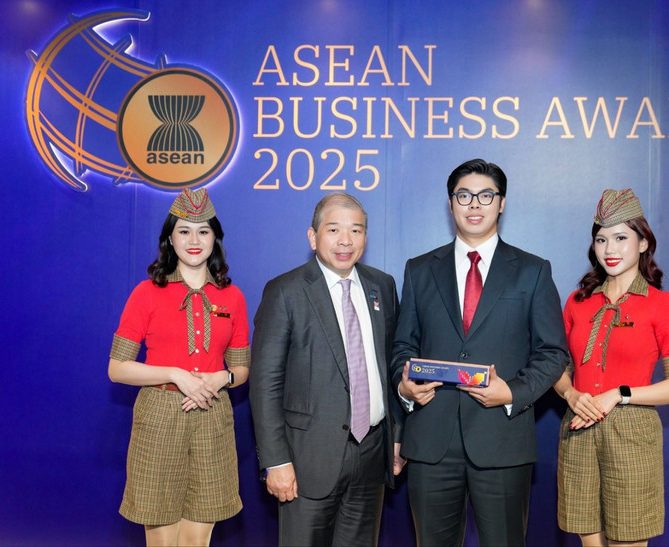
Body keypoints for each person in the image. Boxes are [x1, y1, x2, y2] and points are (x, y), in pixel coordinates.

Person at [391, 158, 569, 546]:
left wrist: (513, 393)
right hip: (431, 441)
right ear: (450, 203)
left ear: (501, 203)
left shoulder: (532, 270)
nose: (475, 205)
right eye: (464, 195)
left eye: (485, 195)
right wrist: (404, 387)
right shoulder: (420, 270)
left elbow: (553, 353)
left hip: (502, 441)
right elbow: (403, 345)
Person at [249, 192, 404, 547]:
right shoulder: (285, 291)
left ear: (366, 237)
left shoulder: (382, 286)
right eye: (334, 229)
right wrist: (276, 461)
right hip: (307, 461)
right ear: (312, 236)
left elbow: (390, 365)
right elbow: (265, 384)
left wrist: (398, 435)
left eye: (356, 230)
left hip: (372, 453)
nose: (345, 240)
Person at [108, 188, 250, 546]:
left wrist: (223, 378)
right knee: (161, 537)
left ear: (215, 238)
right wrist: (174, 374)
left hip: (212, 415)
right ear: (169, 238)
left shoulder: (231, 296)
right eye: (184, 230)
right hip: (159, 415)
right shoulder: (147, 292)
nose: (194, 240)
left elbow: (242, 370)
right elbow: (117, 368)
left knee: (197, 539)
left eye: (203, 231)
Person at [553, 189, 669, 546]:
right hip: (579, 426)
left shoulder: (663, 306)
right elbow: (556, 367)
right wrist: (569, 393)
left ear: (643, 243)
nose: (610, 249)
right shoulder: (578, 302)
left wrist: (619, 395)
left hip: (632, 431)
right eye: (601, 239)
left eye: (620, 238)